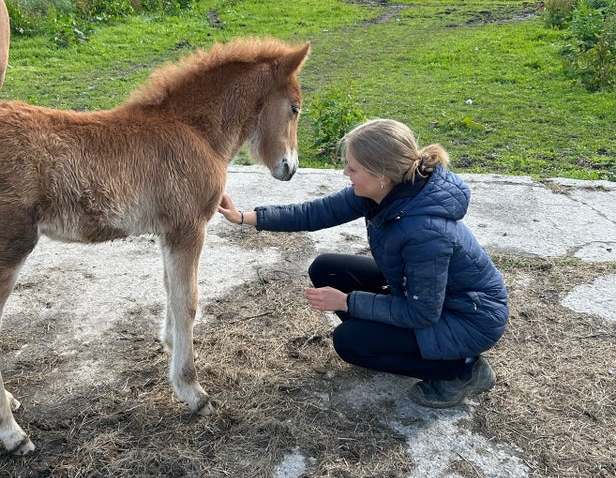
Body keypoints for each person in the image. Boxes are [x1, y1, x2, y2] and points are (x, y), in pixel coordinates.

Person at [218, 118, 509, 408]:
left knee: (350, 342)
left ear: (381, 173)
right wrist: (244, 217)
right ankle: (392, 344)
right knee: (326, 269)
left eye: (353, 168)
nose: (346, 173)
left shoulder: (425, 232)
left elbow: (422, 314)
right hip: (427, 295)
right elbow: (314, 213)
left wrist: (348, 302)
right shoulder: (383, 191)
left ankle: (463, 371)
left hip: (467, 319)